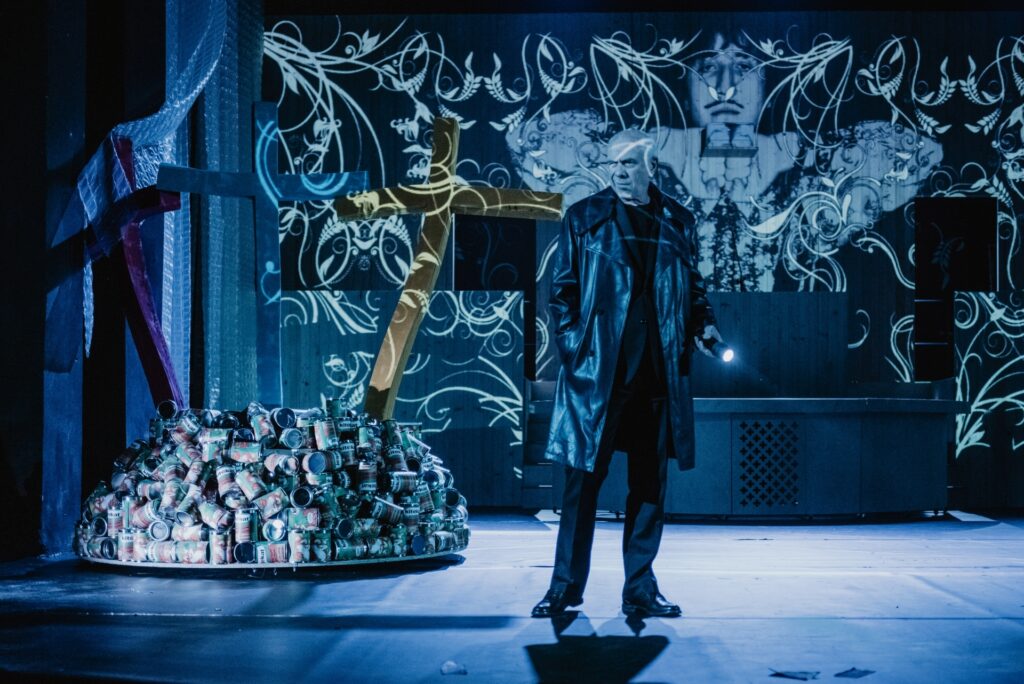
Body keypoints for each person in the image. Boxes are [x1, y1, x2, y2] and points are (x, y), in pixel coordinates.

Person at [532, 128, 722, 619]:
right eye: (613, 163)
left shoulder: (677, 221)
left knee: (649, 488)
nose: (618, 171)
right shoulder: (585, 217)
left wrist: (703, 325)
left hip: (657, 376)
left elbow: (693, 288)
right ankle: (564, 588)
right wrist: (577, 350)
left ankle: (640, 588)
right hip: (599, 375)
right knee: (580, 488)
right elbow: (562, 293)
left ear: (651, 168)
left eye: (629, 163)